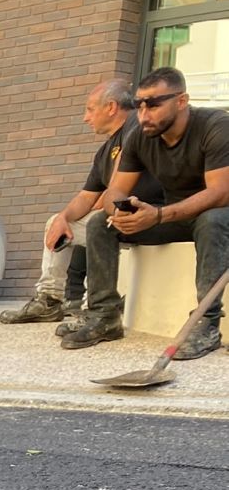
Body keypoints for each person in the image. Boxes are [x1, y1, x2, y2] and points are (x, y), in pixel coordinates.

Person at [62, 67, 229, 358]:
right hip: (175, 217)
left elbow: (220, 193)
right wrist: (123, 212)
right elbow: (114, 190)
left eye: (153, 104)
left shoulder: (215, 126)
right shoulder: (140, 136)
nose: (144, 113)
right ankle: (105, 316)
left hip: (218, 214)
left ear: (181, 101)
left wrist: (159, 215)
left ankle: (207, 324)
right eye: (139, 104)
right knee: (102, 222)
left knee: (211, 220)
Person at [0, 79, 160, 330]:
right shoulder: (105, 150)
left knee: (96, 223)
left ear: (111, 107)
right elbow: (87, 196)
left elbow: (117, 188)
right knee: (57, 222)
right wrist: (64, 217)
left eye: (89, 109)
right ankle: (50, 300)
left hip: (148, 215)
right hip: (115, 217)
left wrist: (96, 207)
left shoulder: (135, 130)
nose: (86, 118)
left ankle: (96, 308)